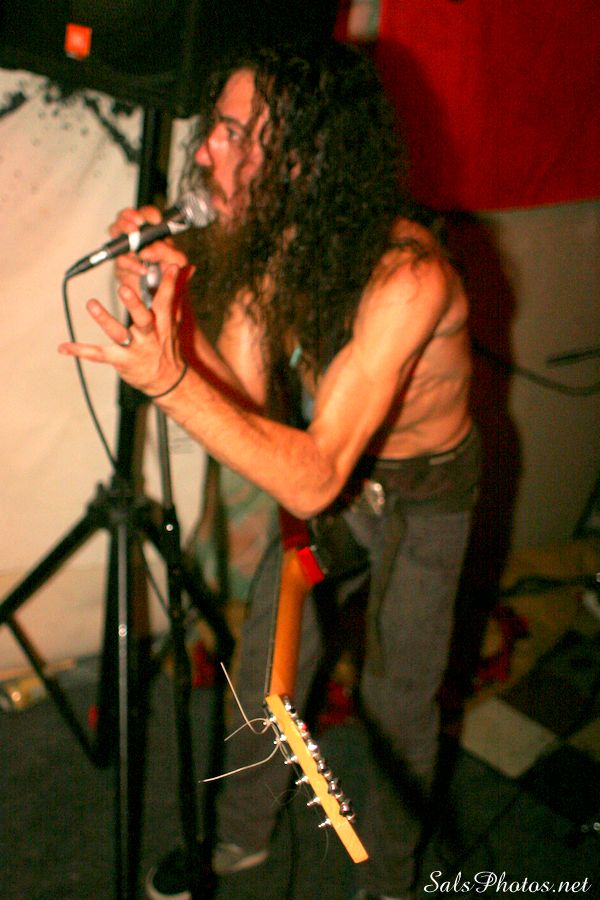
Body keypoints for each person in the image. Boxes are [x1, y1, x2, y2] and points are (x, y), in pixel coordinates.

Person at [59, 41, 479, 900]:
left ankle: (391, 879)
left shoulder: (409, 276)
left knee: (398, 701)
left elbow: (312, 474)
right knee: (267, 666)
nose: (207, 148)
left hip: (423, 493)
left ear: (300, 158)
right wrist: (175, 305)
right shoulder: (280, 246)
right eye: (215, 125)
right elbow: (251, 409)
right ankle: (240, 838)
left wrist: (169, 382)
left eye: (233, 131)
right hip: (328, 481)